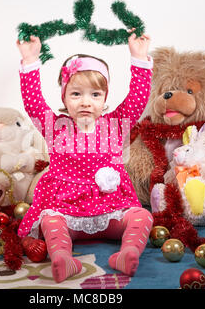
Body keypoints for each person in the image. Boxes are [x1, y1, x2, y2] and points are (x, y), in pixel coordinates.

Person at [16, 29, 154, 283]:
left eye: (95, 95)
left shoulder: (116, 124)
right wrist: (30, 61)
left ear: (104, 98)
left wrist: (139, 57)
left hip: (111, 208)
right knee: (50, 222)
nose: (85, 102)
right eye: (76, 94)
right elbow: (33, 102)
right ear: (65, 98)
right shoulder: (54, 127)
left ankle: (129, 252)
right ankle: (63, 258)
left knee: (143, 215)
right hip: (67, 210)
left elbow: (137, 98)